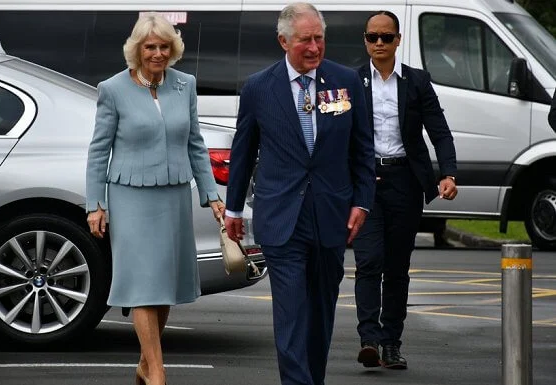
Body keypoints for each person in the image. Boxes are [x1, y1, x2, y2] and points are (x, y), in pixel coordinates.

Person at [225, 3, 375, 385]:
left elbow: (362, 148)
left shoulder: (346, 82)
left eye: (319, 38)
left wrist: (361, 201)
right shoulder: (260, 87)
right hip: (281, 217)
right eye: (305, 39)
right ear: (283, 41)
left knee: (321, 313)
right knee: (291, 312)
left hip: (331, 214)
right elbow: (243, 153)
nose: (314, 47)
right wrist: (233, 210)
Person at [85, 12, 224, 385]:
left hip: (174, 195)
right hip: (130, 197)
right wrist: (95, 204)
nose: (158, 53)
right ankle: (159, 373)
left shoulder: (185, 84)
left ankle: (146, 365)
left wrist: (212, 195)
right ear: (137, 49)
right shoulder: (112, 88)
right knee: (145, 283)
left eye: (164, 46)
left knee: (163, 285)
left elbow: (195, 143)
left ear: (173, 49)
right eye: (151, 47)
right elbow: (99, 151)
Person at [353, 10, 458, 370]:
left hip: (405, 183)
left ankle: (391, 343)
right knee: (368, 261)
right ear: (365, 41)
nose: (378, 43)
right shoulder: (351, 81)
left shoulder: (416, 81)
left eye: (385, 37)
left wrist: (448, 174)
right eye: (372, 37)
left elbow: (439, 131)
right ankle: (368, 339)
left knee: (397, 268)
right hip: (366, 184)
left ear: (398, 40)